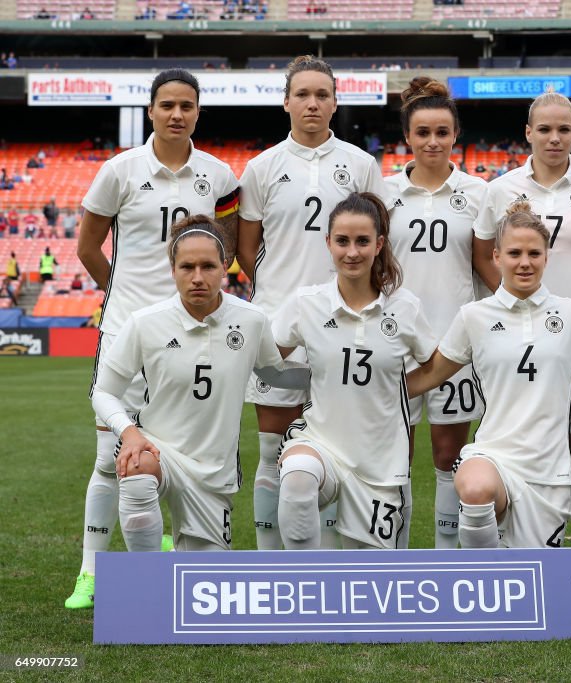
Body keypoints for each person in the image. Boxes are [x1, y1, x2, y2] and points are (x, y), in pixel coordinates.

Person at [66, 68, 240, 610]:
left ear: (197, 112)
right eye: (167, 104)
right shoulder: (119, 170)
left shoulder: (218, 175)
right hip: (128, 328)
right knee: (107, 455)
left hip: (192, 331)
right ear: (151, 110)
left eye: (186, 105)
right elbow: (89, 248)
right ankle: (91, 572)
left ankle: (166, 539)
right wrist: (120, 295)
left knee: (179, 441)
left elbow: (227, 250)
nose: (176, 114)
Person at [407, 201, 571, 549]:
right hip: (494, 454)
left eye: (534, 253)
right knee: (476, 491)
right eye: (515, 253)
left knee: (539, 573)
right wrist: (378, 393)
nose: (525, 262)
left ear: (547, 258)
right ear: (496, 256)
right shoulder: (473, 316)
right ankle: (485, 588)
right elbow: (431, 374)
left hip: (548, 469)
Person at [236, 55, 388, 551]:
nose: (312, 103)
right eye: (303, 94)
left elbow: (378, 239)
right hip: (279, 326)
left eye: (322, 94)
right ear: (286, 102)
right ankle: (269, 560)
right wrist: (278, 297)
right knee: (271, 449)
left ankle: (326, 566)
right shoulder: (262, 167)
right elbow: (245, 247)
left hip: (345, 325)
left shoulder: (361, 164)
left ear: (335, 102)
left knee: (335, 451)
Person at [91, 217, 306, 553]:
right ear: (172, 269)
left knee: (206, 579)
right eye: (186, 266)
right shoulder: (145, 322)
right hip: (160, 451)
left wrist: (330, 373)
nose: (197, 277)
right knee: (136, 466)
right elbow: (103, 392)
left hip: (213, 472)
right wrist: (130, 433)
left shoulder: (252, 320)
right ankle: (150, 581)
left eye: (207, 266)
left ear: (225, 267)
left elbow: (274, 374)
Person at [472, 91, 571, 547]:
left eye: (564, 129)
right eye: (545, 129)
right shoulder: (500, 190)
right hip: (518, 345)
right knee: (515, 449)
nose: (554, 138)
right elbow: (482, 255)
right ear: (528, 133)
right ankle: (512, 547)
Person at [274, 193, 434, 550]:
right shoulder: (307, 303)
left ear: (379, 244)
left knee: (375, 577)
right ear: (327, 242)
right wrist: (304, 379)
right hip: (320, 444)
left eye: (363, 241)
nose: (352, 252)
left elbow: (435, 366)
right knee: (297, 478)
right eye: (342, 241)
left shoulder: (405, 307)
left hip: (379, 463)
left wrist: (398, 387)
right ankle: (307, 590)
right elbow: (265, 360)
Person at [386, 77, 487, 549]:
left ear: (455, 135)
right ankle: (397, 557)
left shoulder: (479, 193)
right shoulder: (382, 192)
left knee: (450, 458)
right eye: (422, 132)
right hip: (394, 347)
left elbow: (488, 267)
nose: (432, 141)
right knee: (392, 460)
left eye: (441, 132)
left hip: (455, 345)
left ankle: (449, 560)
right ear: (408, 135)